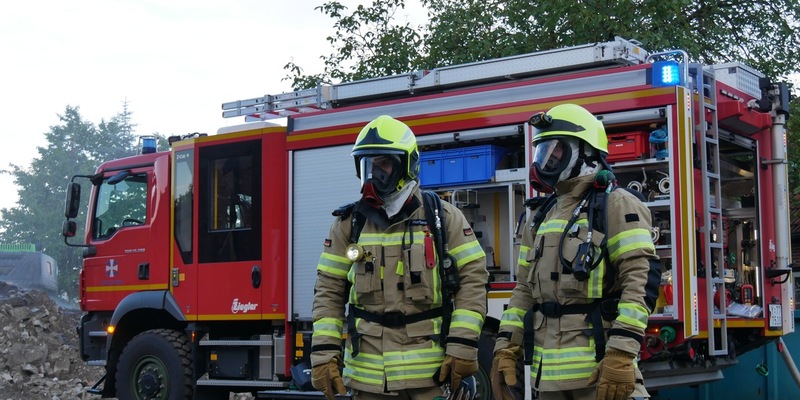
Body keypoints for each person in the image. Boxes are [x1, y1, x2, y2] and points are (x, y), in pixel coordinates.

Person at [311, 115, 489, 400]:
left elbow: (473, 281)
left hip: (429, 378)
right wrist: (324, 354)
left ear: (406, 164)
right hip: (370, 380)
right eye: (367, 164)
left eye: (383, 163)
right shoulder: (348, 224)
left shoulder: (442, 218)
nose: (373, 174)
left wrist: (462, 346)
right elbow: (329, 292)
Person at [490, 104, 661, 400]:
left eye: (556, 151)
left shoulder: (618, 204)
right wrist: (505, 347)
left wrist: (621, 351)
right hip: (548, 382)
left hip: (602, 374)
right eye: (542, 151)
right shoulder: (541, 215)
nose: (546, 160)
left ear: (587, 153)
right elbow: (523, 291)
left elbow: (640, 282)